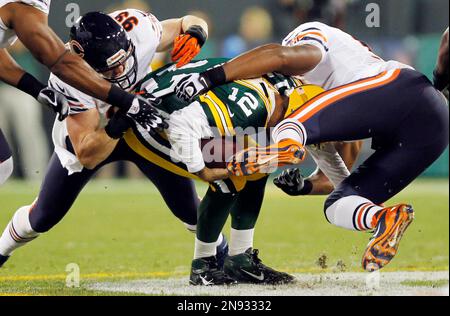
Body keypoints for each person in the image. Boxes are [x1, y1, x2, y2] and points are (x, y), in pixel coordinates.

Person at [174, 21, 449, 272]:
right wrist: (303, 187)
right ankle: (381, 218)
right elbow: (338, 179)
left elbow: (281, 56)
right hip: (433, 128)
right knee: (339, 202)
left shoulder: (312, 51)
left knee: (288, 127)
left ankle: (280, 148)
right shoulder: (337, 106)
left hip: (398, 86)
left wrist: (209, 78)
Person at [0, 9, 225, 269]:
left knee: (188, 208)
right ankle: (2, 248)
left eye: (124, 59)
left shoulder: (138, 29)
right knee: (43, 216)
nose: (122, 69)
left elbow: (186, 21)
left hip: (143, 128)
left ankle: (222, 253)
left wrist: (197, 32)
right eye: (111, 67)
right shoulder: (67, 75)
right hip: (98, 134)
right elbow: (88, 153)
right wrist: (124, 117)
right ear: (83, 63)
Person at [0, 0, 169, 186]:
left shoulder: (143, 30)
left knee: (3, 164)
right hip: (102, 122)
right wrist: (129, 102)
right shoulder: (22, 5)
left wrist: (34, 88)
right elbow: (61, 63)